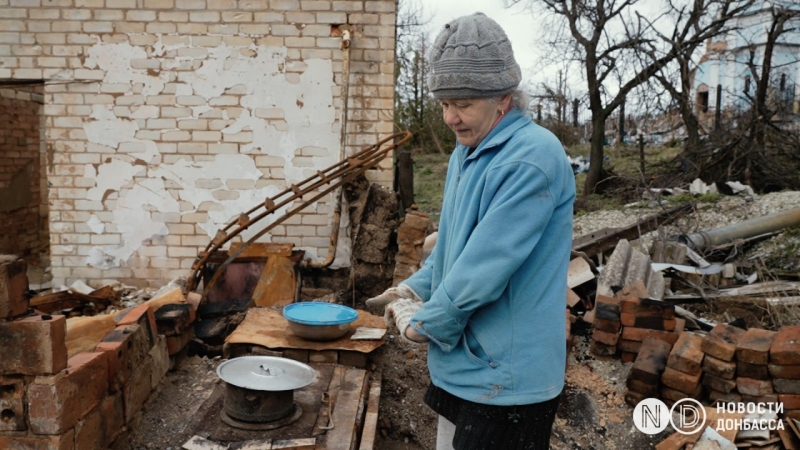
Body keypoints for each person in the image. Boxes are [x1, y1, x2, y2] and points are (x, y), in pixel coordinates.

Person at [367, 12, 575, 450]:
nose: (450, 117)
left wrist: (423, 324)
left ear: (503, 98)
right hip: (467, 361)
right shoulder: (470, 150)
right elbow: (456, 245)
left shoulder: (530, 158)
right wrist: (412, 289)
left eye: (462, 104)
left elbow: (485, 265)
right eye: (444, 104)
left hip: (507, 373)